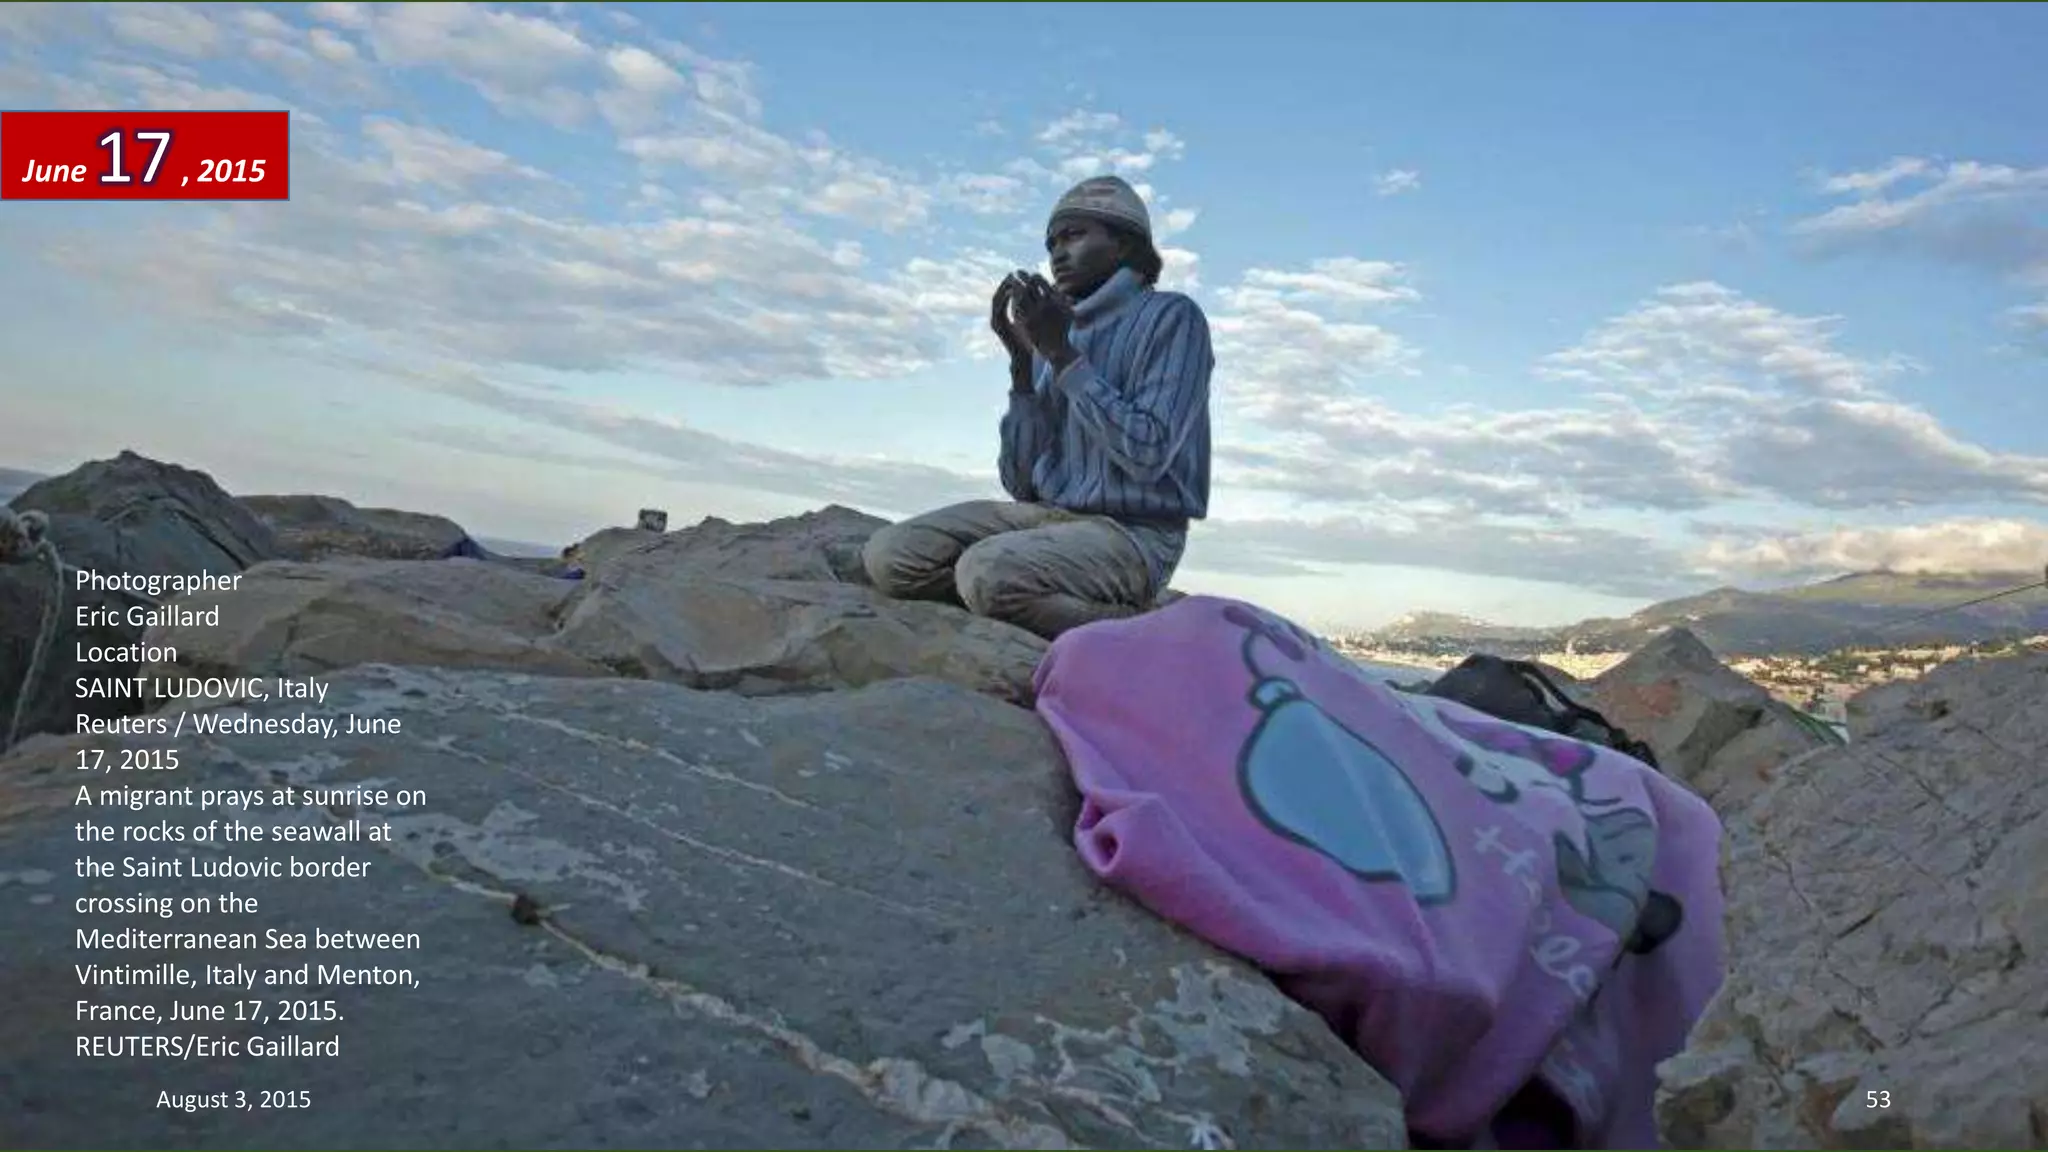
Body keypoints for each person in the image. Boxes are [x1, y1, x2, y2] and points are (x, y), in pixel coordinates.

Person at [861, 175, 1213, 640]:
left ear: (1125, 244)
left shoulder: (1173, 318)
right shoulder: (1055, 330)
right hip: (1050, 520)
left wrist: (1064, 357)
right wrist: (1023, 367)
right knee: (890, 556)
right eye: (1051, 244)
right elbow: (1020, 484)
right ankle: (1022, 601)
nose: (1057, 254)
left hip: (1134, 536)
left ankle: (1146, 632)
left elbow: (1147, 451)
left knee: (986, 574)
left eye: (1074, 235)